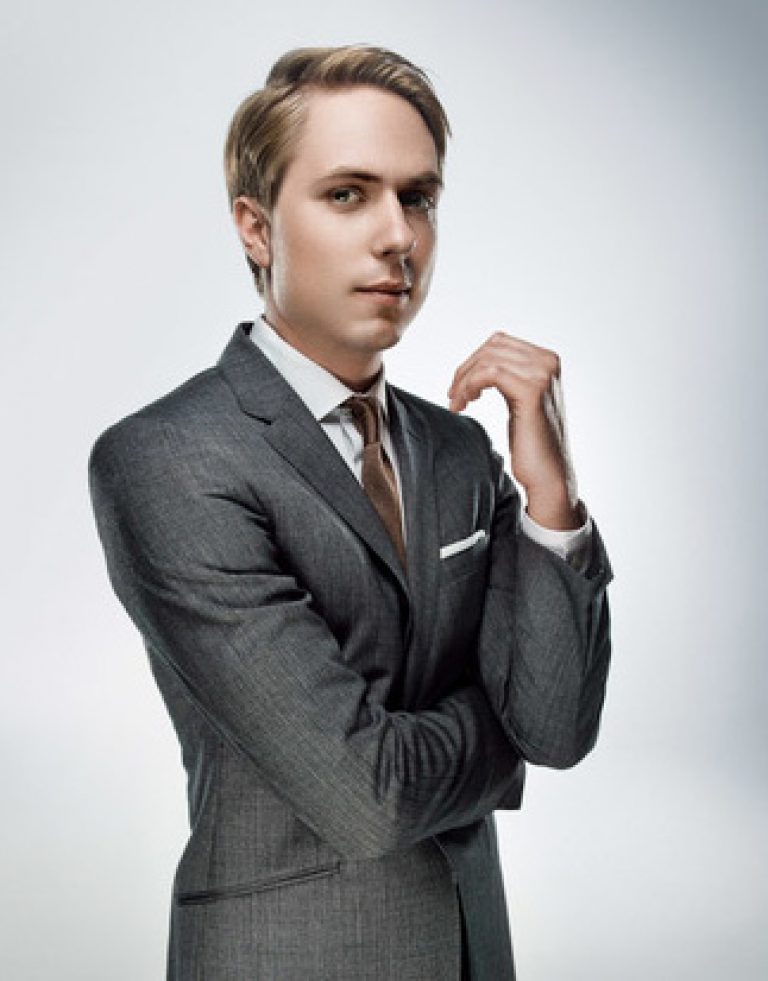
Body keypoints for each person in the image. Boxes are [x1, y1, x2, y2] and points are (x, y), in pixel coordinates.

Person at [89, 44, 613, 981]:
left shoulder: (459, 450)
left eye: (418, 198)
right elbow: (366, 794)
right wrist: (499, 741)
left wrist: (552, 498)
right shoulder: (167, 457)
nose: (397, 236)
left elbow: (557, 726)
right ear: (256, 227)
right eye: (347, 194)